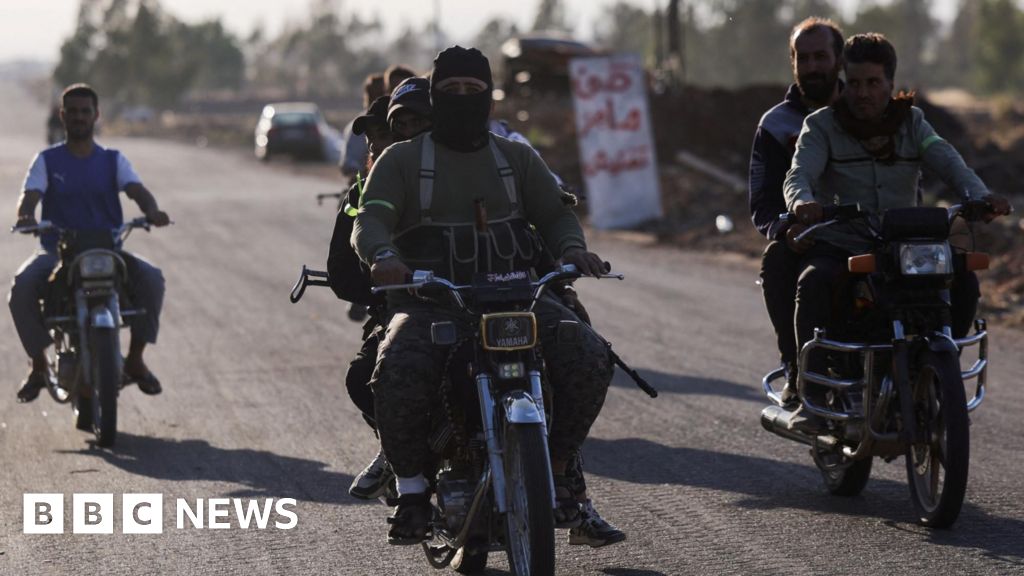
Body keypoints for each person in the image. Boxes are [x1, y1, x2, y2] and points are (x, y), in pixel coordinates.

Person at [352, 46, 614, 545]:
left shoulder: (517, 158)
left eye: (473, 90)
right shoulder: (400, 160)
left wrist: (573, 250)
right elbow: (371, 219)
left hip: (517, 297)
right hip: (434, 302)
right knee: (397, 368)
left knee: (588, 355)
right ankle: (411, 492)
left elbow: (555, 214)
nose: (462, 98)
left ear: (490, 99)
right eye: (451, 90)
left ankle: (559, 471)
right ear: (435, 96)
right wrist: (382, 256)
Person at [783, 33, 1012, 427]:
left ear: (890, 82)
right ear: (844, 81)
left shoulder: (914, 123)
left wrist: (980, 196)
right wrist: (802, 202)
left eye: (873, 82)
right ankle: (813, 394)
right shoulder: (821, 126)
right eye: (855, 82)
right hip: (845, 242)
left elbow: (949, 161)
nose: (863, 93)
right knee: (813, 282)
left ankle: (936, 373)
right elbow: (799, 173)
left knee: (964, 282)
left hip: (907, 244)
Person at [9, 83, 171, 402]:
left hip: (108, 250)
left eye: (85, 111)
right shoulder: (47, 160)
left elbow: (137, 190)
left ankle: (135, 360)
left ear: (96, 115)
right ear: (62, 116)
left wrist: (152, 211)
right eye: (73, 111)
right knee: (21, 289)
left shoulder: (113, 160)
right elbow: (30, 196)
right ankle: (39, 366)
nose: (79, 117)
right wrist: (26, 216)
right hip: (57, 252)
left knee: (153, 279)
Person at [748, 17, 844, 405]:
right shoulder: (776, 125)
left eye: (821, 56)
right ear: (793, 63)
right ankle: (797, 368)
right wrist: (786, 228)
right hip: (809, 237)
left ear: (839, 60)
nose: (812, 67)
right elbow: (762, 202)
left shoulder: (865, 110)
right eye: (803, 58)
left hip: (869, 233)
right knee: (777, 259)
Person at [339, 73, 386, 181]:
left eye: (381, 94)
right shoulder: (357, 126)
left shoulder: (399, 123)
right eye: (372, 95)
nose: (376, 99)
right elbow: (349, 164)